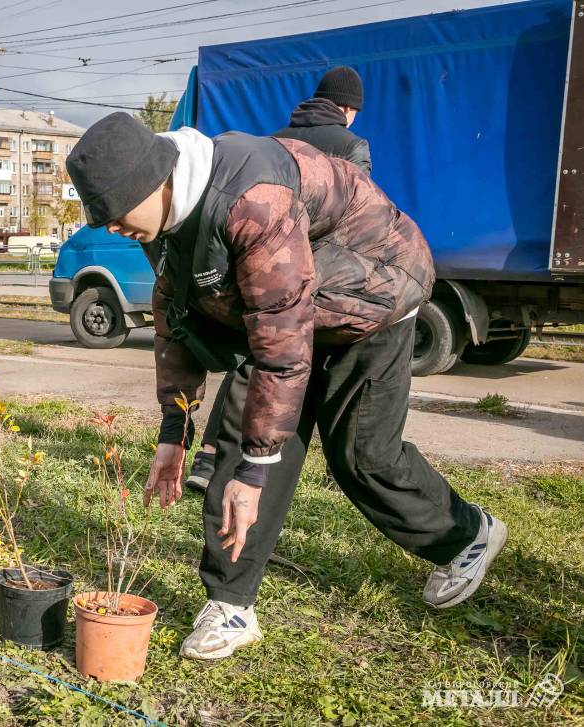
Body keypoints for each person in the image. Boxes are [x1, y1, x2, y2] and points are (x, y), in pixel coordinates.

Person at [66, 113, 506, 662]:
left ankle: (468, 535)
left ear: (153, 180)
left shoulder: (251, 199)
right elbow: (173, 313)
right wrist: (174, 429)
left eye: (113, 212)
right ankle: (230, 603)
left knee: (362, 455)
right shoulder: (164, 218)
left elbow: (281, 339)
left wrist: (258, 468)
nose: (110, 228)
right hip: (288, 310)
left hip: (373, 296)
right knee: (237, 445)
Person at [187, 65, 371, 491]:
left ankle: (210, 455)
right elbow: (355, 215)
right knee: (295, 361)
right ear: (348, 108)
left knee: (253, 356)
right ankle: (328, 463)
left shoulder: (275, 139)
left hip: (261, 259)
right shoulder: (351, 144)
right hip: (316, 269)